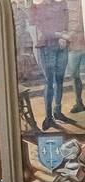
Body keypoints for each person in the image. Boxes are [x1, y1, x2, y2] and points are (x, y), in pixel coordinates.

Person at [30, 0, 73, 130]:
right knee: (49, 82)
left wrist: (64, 37)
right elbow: (44, 29)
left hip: (62, 46)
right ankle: (49, 117)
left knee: (59, 81)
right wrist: (61, 35)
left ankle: (58, 112)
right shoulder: (36, 7)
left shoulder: (62, 4)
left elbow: (66, 22)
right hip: (47, 47)